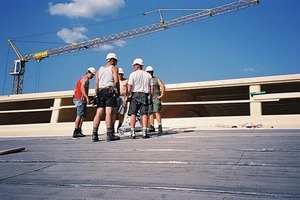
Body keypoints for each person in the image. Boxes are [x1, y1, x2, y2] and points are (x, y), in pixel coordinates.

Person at [92, 53, 120, 142]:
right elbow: (116, 81)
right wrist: (117, 91)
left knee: (99, 112)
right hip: (109, 90)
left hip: (100, 91)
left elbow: (96, 84)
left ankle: (94, 134)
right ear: (113, 60)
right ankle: (109, 134)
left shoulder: (99, 70)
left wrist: (96, 95)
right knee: (109, 112)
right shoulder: (114, 68)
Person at [127, 58, 153, 139]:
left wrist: (128, 95)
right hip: (144, 95)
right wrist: (151, 97)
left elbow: (130, 86)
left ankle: (132, 132)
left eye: (134, 65)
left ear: (137, 65)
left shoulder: (132, 74)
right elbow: (151, 87)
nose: (133, 67)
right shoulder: (148, 75)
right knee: (144, 114)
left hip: (135, 94)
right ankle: (144, 132)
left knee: (133, 113)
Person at [72, 67, 96, 138]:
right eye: (92, 74)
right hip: (80, 99)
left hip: (80, 99)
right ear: (88, 72)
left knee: (82, 115)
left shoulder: (83, 78)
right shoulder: (85, 79)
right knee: (79, 115)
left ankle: (79, 130)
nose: (92, 76)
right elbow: (82, 88)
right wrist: (87, 97)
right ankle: (76, 131)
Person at [146, 66, 166, 134]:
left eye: (150, 72)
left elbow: (162, 86)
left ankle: (159, 125)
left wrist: (161, 95)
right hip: (149, 97)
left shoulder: (156, 79)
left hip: (156, 97)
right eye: (148, 72)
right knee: (150, 112)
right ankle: (151, 126)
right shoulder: (146, 80)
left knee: (157, 111)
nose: (149, 73)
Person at [115, 68, 128, 132]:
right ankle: (112, 126)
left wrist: (127, 96)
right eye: (119, 74)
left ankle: (119, 125)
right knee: (114, 112)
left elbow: (128, 89)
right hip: (116, 97)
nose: (120, 75)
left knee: (122, 113)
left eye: (121, 74)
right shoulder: (114, 81)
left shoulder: (126, 81)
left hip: (123, 97)